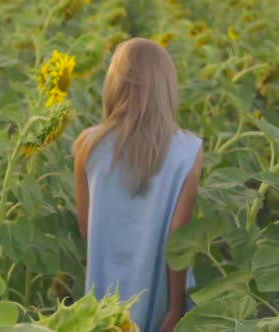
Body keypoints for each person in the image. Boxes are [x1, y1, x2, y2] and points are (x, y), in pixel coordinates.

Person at [73, 37, 203, 332]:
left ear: (114, 84)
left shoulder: (88, 145)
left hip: (103, 296)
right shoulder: (188, 151)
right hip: (158, 297)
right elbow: (177, 242)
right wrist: (175, 309)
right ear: (167, 87)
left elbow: (86, 227)